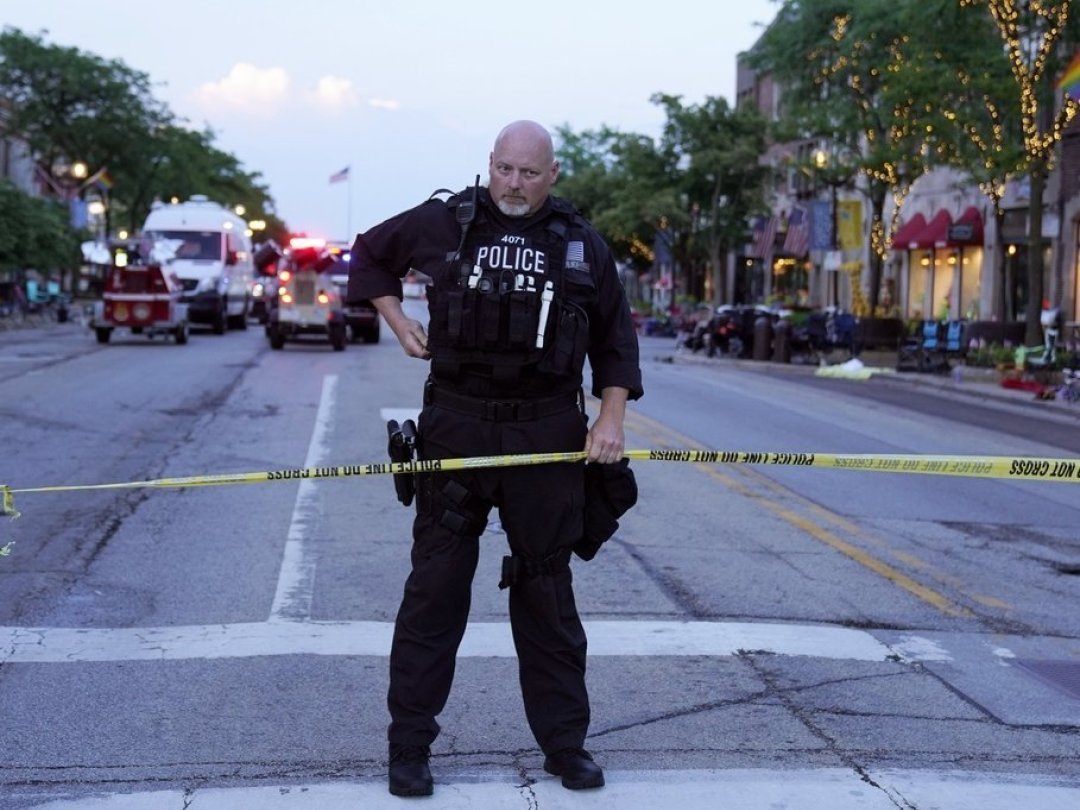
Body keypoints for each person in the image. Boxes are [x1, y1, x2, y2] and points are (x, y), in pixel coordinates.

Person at [347, 119, 643, 798]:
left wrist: (612, 417)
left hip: (545, 433)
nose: (514, 184)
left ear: (553, 174)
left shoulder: (580, 244)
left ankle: (566, 747)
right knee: (434, 592)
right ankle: (409, 750)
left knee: (547, 593)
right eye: (505, 170)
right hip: (457, 428)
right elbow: (368, 255)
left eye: (529, 173)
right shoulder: (445, 220)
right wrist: (398, 322)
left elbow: (614, 338)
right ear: (491, 165)